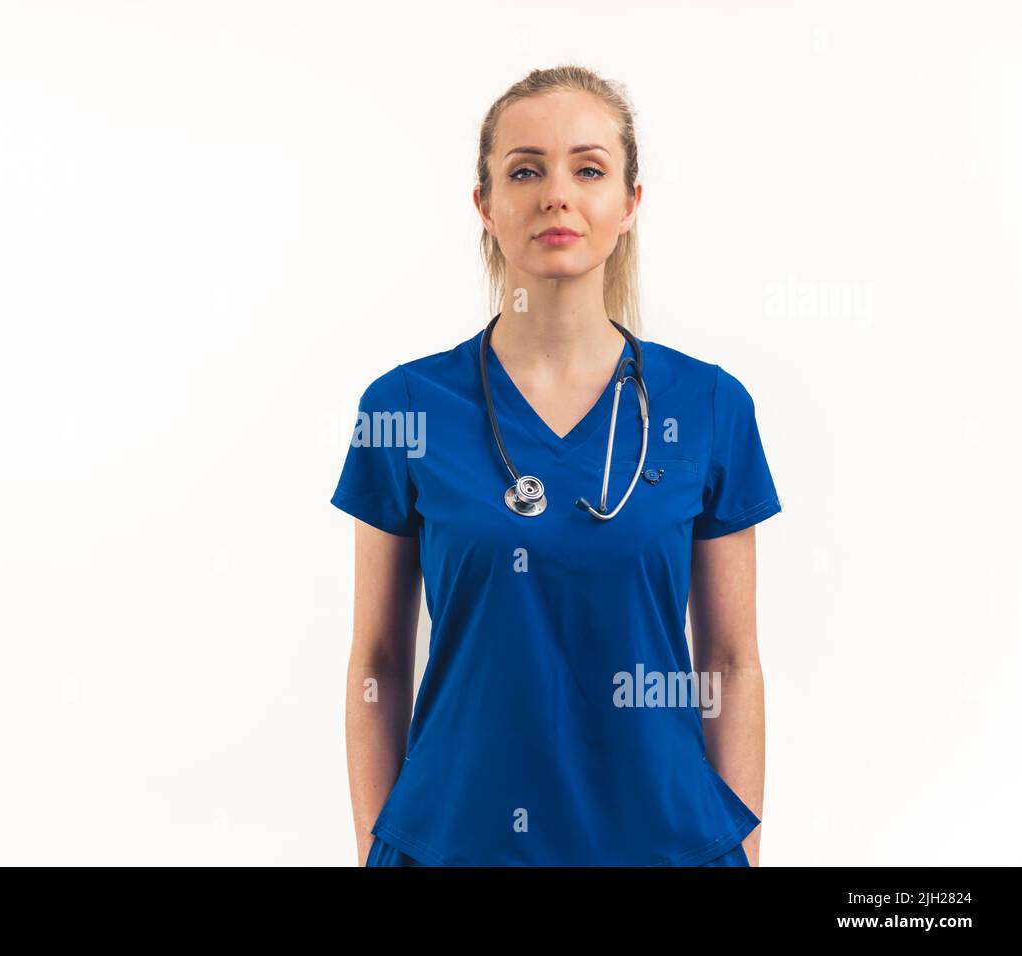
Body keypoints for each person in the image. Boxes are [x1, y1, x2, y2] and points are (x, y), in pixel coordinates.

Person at [333, 65, 781, 867]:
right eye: (525, 169)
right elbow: (377, 662)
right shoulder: (403, 408)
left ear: (630, 203)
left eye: (589, 168)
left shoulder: (710, 406)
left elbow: (730, 662)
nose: (555, 195)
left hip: (668, 845)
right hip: (454, 844)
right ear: (485, 204)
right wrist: (375, 849)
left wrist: (744, 849)